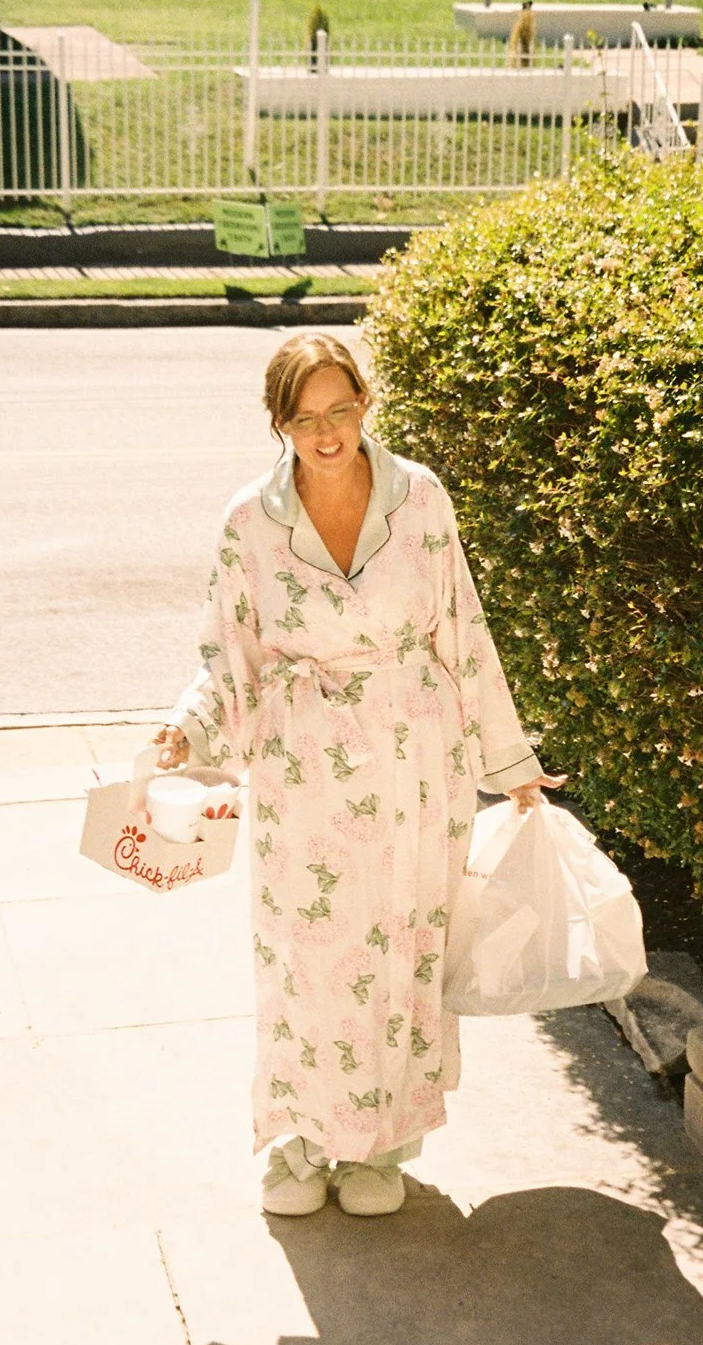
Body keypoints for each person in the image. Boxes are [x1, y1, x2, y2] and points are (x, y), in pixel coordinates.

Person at [154, 332, 565, 1220]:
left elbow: (464, 628)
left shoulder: (420, 497)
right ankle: (300, 1145)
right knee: (305, 960)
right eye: (305, 418)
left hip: (418, 764)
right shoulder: (248, 520)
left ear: (365, 406)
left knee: (399, 956)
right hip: (304, 772)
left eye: (341, 410)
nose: (327, 432)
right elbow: (227, 651)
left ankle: (381, 1149)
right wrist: (185, 730)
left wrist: (510, 763)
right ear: (278, 423)